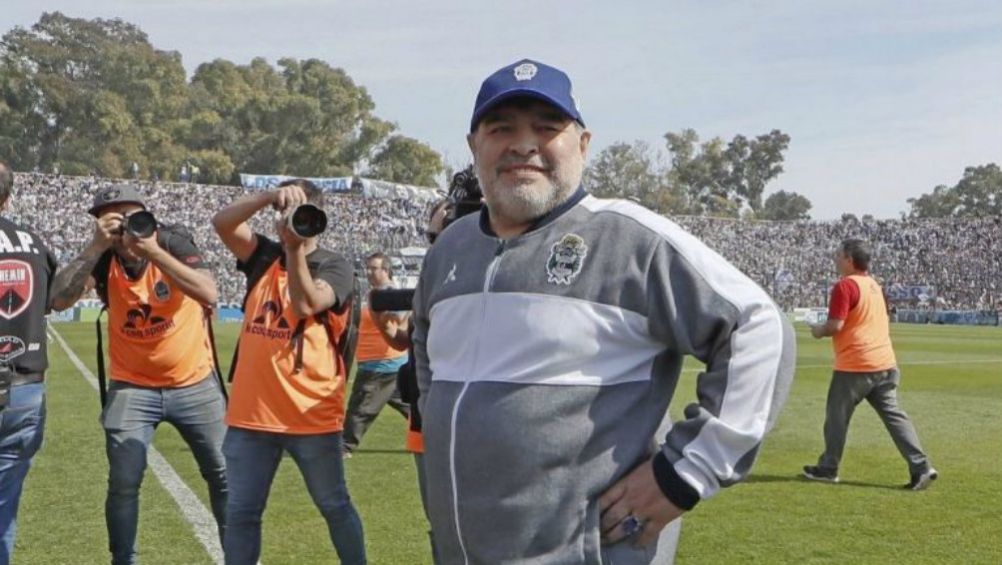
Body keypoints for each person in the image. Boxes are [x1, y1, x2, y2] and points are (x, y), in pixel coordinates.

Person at [412, 59, 795, 564]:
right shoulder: (450, 249)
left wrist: (685, 474)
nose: (523, 144)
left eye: (546, 128)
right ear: (473, 145)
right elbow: (426, 357)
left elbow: (758, 326)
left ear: (583, 144)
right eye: (501, 128)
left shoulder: (630, 239)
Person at [49, 184, 227, 565]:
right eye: (113, 221)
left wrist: (154, 251)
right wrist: (95, 246)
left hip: (194, 381)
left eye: (133, 218)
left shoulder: (172, 241)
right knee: (124, 482)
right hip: (133, 386)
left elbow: (209, 293)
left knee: (224, 474)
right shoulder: (103, 258)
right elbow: (58, 300)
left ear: (149, 218)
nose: (125, 229)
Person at [212, 179, 366, 565]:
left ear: (318, 217)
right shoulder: (264, 255)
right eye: (283, 211)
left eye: (298, 213)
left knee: (335, 506)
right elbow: (222, 223)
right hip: (252, 416)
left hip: (310, 415)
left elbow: (305, 304)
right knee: (242, 514)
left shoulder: (335, 266)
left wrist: (295, 249)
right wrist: (268, 196)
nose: (288, 219)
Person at [803, 239, 937, 490]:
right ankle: (921, 468)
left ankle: (828, 468)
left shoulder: (845, 286)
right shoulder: (875, 286)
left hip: (856, 365)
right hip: (885, 363)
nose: (835, 258)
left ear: (849, 260)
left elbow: (835, 325)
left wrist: (817, 331)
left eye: (839, 254)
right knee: (895, 417)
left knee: (836, 418)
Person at [0, 162, 59, 565]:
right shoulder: (33, 242)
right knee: (4, 508)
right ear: (8, 198)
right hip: (25, 388)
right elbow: (55, 298)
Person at [342, 252, 410, 456]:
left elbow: (401, 317)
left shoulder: (388, 293)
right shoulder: (377, 293)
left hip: (379, 364)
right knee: (413, 407)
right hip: (390, 363)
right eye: (368, 268)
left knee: (360, 409)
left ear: (386, 270)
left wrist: (391, 315)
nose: (369, 272)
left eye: (374, 268)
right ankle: (437, 434)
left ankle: (344, 447)